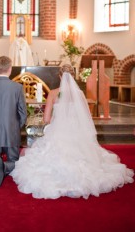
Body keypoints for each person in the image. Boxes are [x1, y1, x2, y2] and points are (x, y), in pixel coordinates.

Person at [11, 64, 134, 199]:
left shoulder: (53, 93)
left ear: (59, 76)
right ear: (73, 76)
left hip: (58, 134)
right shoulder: (80, 94)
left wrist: (55, 119)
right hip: (77, 133)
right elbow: (86, 117)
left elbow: (46, 119)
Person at [0, 56, 27, 187]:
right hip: (11, 133)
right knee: (15, 162)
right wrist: (16, 127)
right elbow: (23, 112)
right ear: (10, 69)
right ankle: (5, 165)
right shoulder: (17, 87)